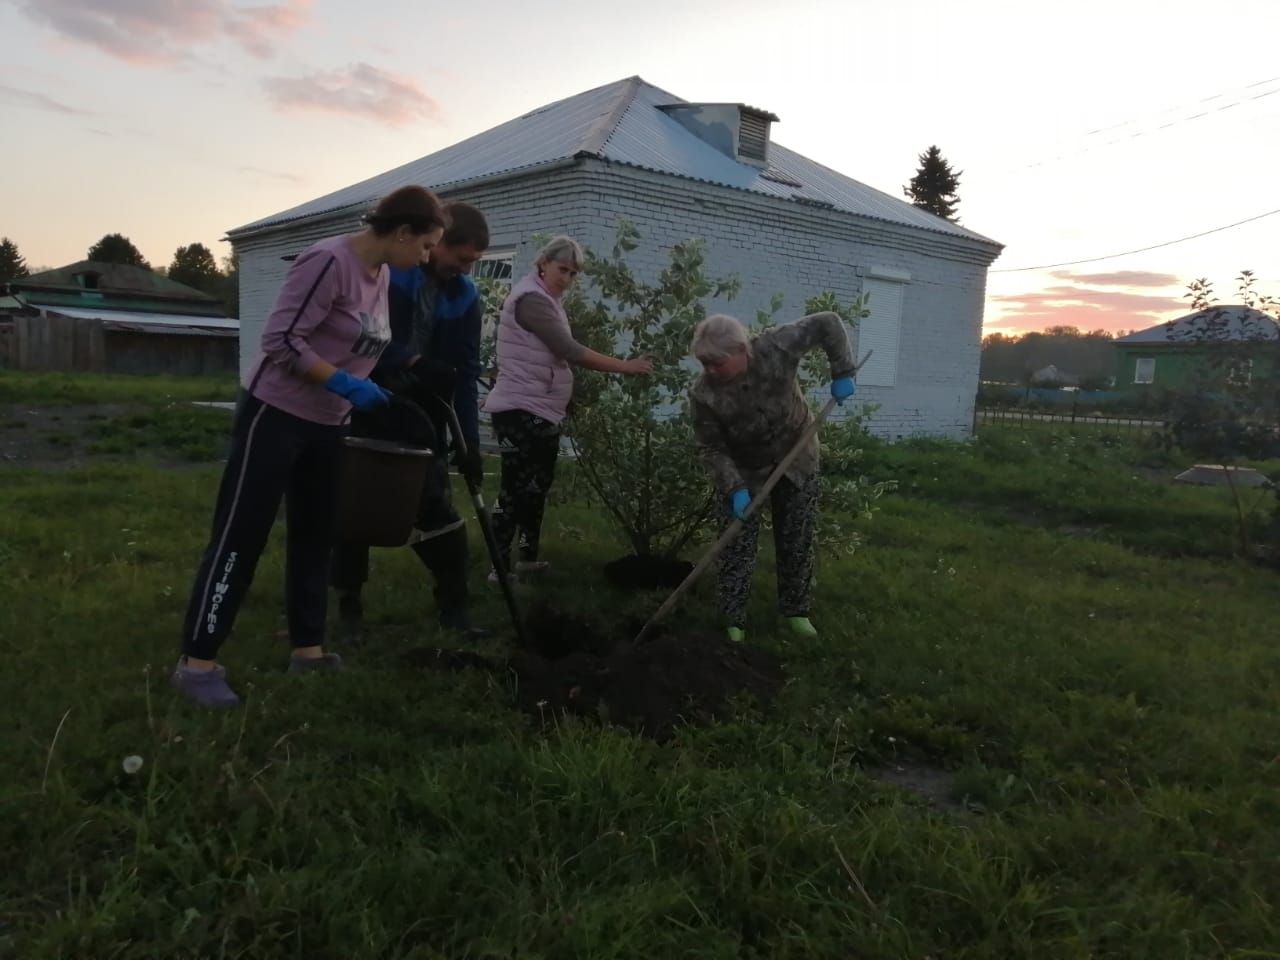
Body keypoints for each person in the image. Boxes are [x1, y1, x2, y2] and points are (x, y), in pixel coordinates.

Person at [172, 186, 450, 707]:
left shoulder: (384, 274)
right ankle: (197, 662)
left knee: (315, 535)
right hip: (277, 416)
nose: (428, 256)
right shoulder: (328, 261)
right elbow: (280, 342)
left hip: (329, 425)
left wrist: (404, 371)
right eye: (428, 244)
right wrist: (343, 382)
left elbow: (365, 341)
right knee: (241, 534)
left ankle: (308, 650)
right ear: (402, 232)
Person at [331, 202, 491, 641]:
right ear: (438, 244)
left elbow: (465, 371)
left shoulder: (465, 297)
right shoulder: (390, 276)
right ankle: (348, 606)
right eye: (460, 259)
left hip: (423, 414)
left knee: (437, 506)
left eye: (472, 264)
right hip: (367, 402)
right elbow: (361, 335)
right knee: (355, 508)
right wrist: (411, 360)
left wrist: (469, 441)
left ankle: (454, 607)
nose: (464, 270)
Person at [482, 235, 653, 581]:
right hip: (519, 408)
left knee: (536, 486)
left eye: (574, 274)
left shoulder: (547, 299)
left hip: (541, 408)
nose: (567, 279)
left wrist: (563, 397)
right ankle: (497, 567)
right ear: (543, 263)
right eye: (562, 269)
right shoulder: (532, 300)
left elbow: (551, 359)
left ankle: (527, 558)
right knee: (514, 488)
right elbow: (569, 350)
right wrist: (626, 366)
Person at [688, 311, 857, 643]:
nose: (709, 370)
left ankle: (796, 612)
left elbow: (828, 323)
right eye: (704, 363)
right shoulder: (703, 395)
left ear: (741, 350)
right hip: (745, 469)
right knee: (736, 543)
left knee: (796, 536)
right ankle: (733, 620)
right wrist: (734, 487)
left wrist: (843, 371)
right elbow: (711, 447)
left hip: (798, 456)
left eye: (716, 362)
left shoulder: (775, 346)